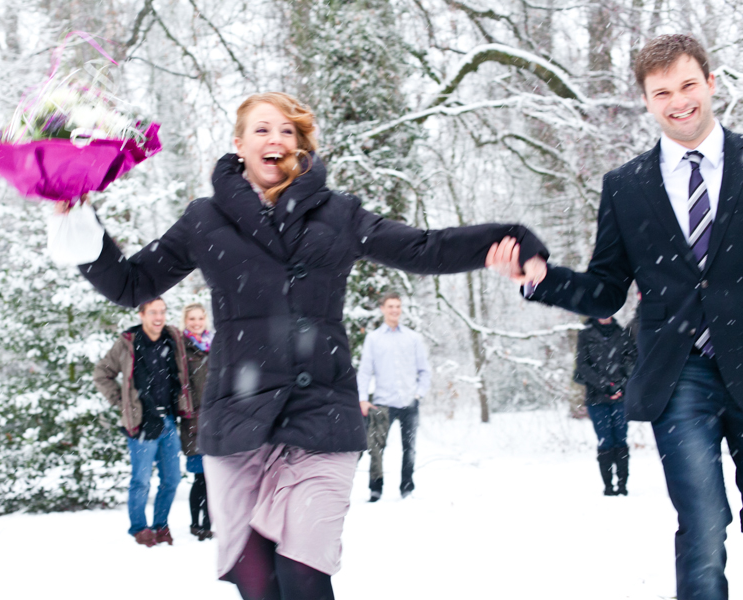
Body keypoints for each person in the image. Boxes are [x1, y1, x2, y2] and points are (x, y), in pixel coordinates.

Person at [50, 91, 547, 600]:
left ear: (300, 146)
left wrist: (507, 240)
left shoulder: (339, 215)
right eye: (262, 129)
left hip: (320, 417)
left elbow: (422, 247)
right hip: (237, 422)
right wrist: (78, 219)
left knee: (303, 575)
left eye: (288, 131)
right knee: (257, 584)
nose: (276, 140)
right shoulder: (204, 220)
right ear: (239, 144)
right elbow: (132, 284)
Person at [492, 35, 743, 600]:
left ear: (709, 82)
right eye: (662, 92)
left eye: (687, 85)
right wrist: (541, 279)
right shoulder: (626, 187)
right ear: (647, 101)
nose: (678, 101)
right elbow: (606, 291)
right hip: (680, 375)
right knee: (703, 527)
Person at [92, 298, 193, 547]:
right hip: (140, 423)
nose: (159, 317)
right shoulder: (128, 342)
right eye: (153, 313)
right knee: (141, 481)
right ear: (142, 315)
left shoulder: (173, 337)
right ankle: (139, 528)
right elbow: (101, 373)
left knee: (172, 480)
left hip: (169, 419)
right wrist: (123, 403)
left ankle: (161, 525)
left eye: (162, 312)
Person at [357, 292, 429, 501]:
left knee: (409, 449)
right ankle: (375, 488)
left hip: (409, 403)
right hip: (383, 403)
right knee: (376, 449)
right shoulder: (373, 338)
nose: (394, 310)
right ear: (382, 309)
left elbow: (424, 370)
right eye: (390, 306)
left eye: (397, 306)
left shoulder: (413, 338)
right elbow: (365, 371)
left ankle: (407, 488)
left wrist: (418, 394)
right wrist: (363, 399)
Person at [573, 316, 635, 496]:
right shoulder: (585, 334)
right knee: (605, 440)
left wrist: (620, 385)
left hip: (621, 397)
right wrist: (605, 386)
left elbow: (631, 360)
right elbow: (583, 365)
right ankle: (608, 485)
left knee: (620, 439)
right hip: (596, 397)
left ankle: (622, 483)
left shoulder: (622, 332)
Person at [180, 302, 213, 541]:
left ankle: (209, 523)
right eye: (191, 319)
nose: (196, 323)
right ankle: (196, 523)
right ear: (185, 321)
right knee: (200, 476)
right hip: (194, 422)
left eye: (199, 318)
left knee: (215, 477)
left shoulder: (215, 346)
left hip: (217, 421)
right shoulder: (182, 348)